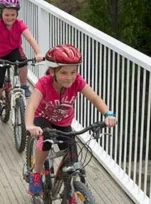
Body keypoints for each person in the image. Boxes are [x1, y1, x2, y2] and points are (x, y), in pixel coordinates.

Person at [24, 44, 117, 195]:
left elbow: (94, 98)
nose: (70, 77)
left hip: (63, 123)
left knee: (72, 157)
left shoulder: (77, 81)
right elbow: (32, 105)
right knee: (45, 140)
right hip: (42, 118)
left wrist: (108, 114)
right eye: (64, 73)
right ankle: (37, 172)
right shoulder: (44, 83)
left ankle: (69, 190)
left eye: (73, 72)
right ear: (53, 71)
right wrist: (29, 125)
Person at [0, 0, 44, 122]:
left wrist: (38, 52)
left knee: (22, 62)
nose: (10, 18)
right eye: (7, 14)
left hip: (13, 50)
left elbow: (30, 38)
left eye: (13, 15)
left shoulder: (20, 24)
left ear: (17, 14)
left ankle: (23, 86)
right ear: (1, 13)